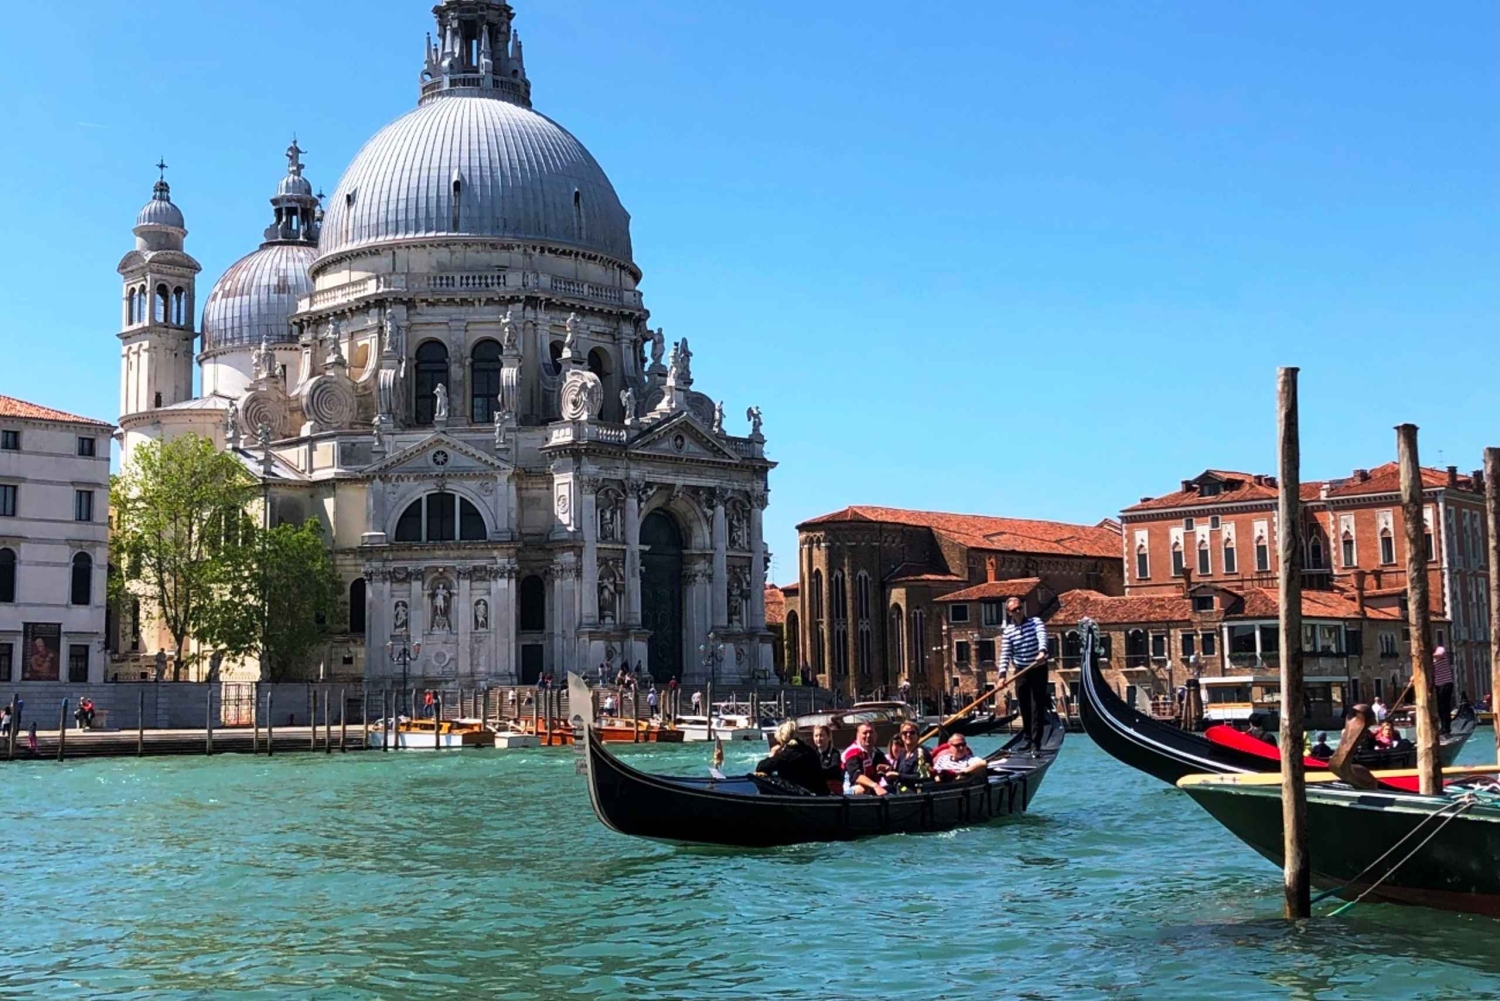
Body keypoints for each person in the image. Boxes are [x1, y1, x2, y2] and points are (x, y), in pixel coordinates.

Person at [998, 597, 1049, 752]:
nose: (1018, 611)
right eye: (1014, 610)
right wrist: (1002, 676)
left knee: (1036, 706)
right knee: (1024, 706)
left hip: (1038, 668)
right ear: (1009, 613)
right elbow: (1005, 654)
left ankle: (1036, 743)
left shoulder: (1035, 622)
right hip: (1021, 671)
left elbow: (1042, 637)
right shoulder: (1008, 631)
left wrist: (1042, 651)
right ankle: (1027, 739)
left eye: (1020, 608)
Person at [755, 721, 829, 795]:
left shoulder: (787, 755)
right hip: (819, 793)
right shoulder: (809, 750)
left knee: (759, 776)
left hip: (800, 795)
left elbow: (760, 767)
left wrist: (772, 755)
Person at [841, 723, 890, 796]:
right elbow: (857, 777)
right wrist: (875, 786)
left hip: (873, 788)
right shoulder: (853, 752)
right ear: (857, 735)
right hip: (849, 792)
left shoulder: (876, 752)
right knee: (863, 789)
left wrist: (888, 769)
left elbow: (889, 768)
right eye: (864, 733)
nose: (868, 735)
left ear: (876, 735)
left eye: (871, 732)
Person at [886, 723, 933, 791]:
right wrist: (887, 771)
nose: (908, 735)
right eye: (905, 733)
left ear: (918, 736)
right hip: (902, 790)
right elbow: (895, 775)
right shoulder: (902, 754)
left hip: (917, 792)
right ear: (901, 736)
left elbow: (922, 777)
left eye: (912, 732)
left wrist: (898, 775)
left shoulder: (922, 753)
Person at [812, 724, 842, 793]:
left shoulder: (835, 754)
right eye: (816, 736)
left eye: (821, 735)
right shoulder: (812, 754)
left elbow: (833, 771)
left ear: (829, 737)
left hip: (831, 790)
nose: (818, 739)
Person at [1433, 646, 1455, 735]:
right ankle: (1443, 727)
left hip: (1446, 683)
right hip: (1437, 685)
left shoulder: (1439, 649)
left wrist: (1427, 656)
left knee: (1444, 707)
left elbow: (1441, 654)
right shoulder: (1430, 662)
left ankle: (1446, 728)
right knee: (1440, 708)